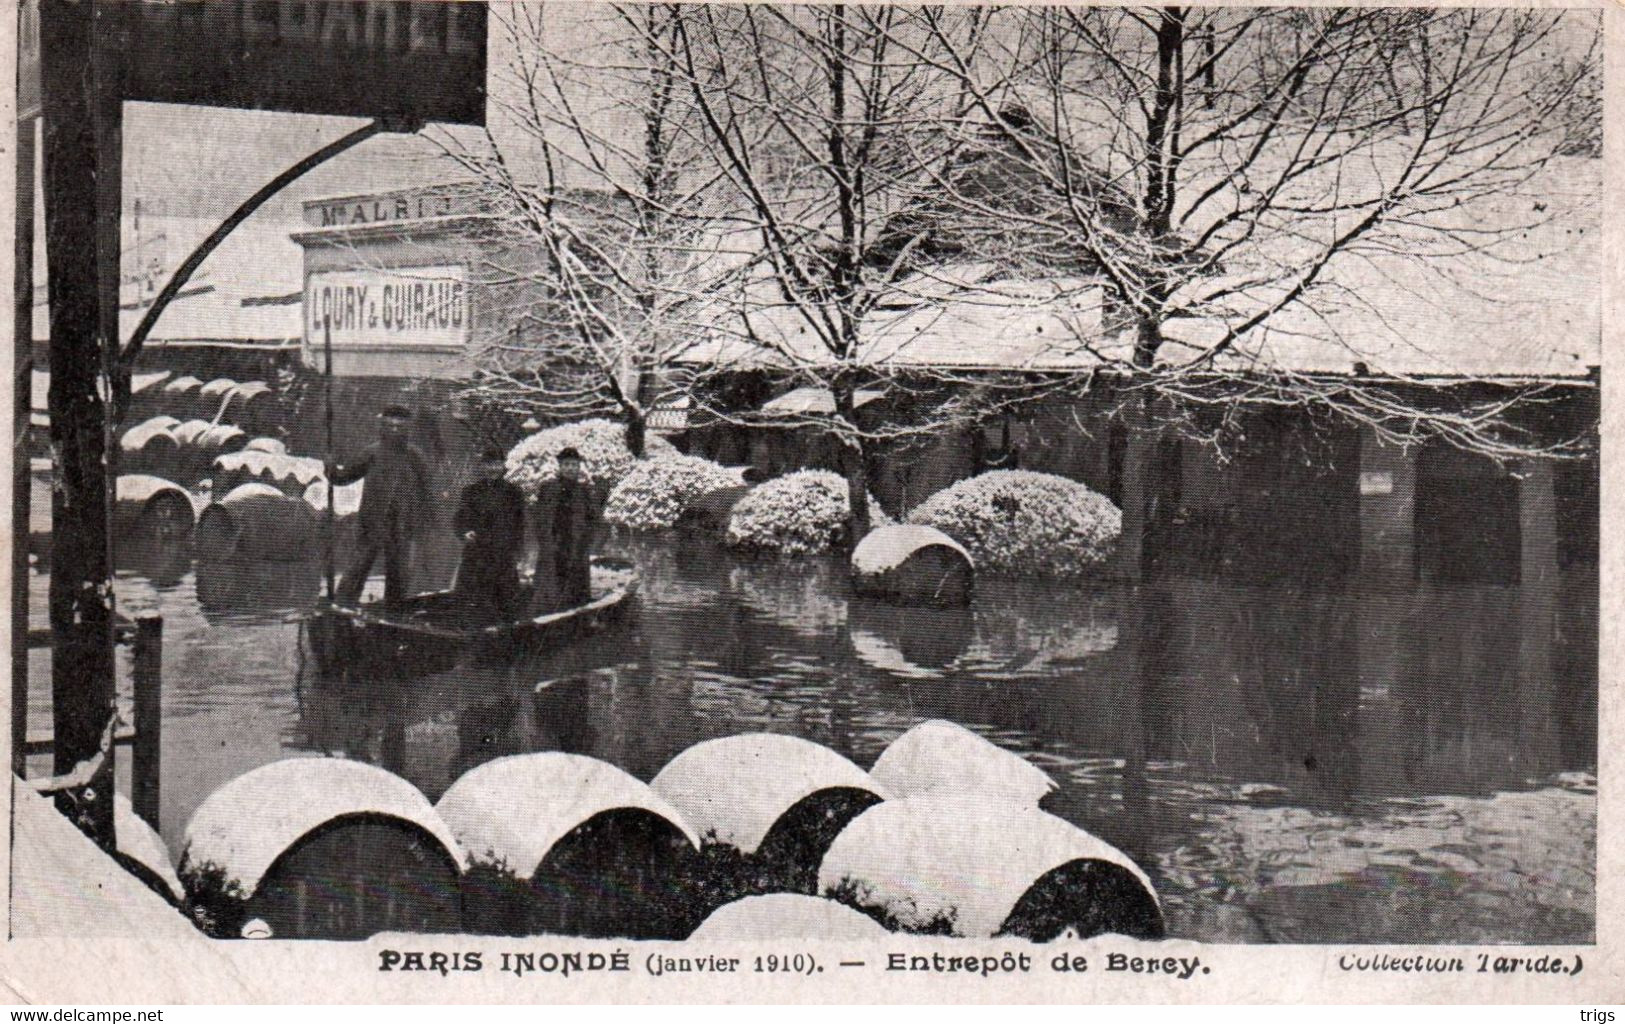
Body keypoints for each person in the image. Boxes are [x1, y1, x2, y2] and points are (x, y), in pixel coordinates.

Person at [328, 404, 432, 607]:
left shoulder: (415, 456)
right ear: (382, 426)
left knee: (399, 573)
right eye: (390, 426)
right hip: (373, 521)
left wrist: (421, 520)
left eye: (399, 427)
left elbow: (427, 491)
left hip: (402, 523)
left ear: (407, 429)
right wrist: (329, 465)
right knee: (359, 565)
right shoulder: (372, 453)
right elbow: (342, 478)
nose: (394, 430)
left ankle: (394, 612)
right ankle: (342, 607)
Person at [452, 447, 527, 622]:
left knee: (505, 600)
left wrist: (517, 551)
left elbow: (519, 525)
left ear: (503, 466)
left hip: (503, 556)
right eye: (489, 464)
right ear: (482, 466)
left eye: (497, 464)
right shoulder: (471, 491)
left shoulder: (513, 493)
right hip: (477, 555)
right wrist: (465, 532)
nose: (493, 469)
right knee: (473, 601)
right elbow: (460, 519)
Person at [531, 446, 596, 613]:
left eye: (574, 465)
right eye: (566, 464)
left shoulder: (584, 491)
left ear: (579, 467)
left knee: (574, 583)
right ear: (560, 466)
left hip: (575, 545)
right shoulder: (548, 488)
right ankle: (547, 614)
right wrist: (545, 540)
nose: (570, 468)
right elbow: (539, 518)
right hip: (553, 544)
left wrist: (585, 542)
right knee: (549, 582)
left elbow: (592, 520)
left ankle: (574, 614)